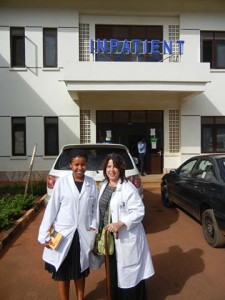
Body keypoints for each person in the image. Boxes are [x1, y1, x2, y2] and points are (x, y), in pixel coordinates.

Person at [38, 149, 98, 300]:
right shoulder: (62, 183)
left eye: (83, 164)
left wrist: (94, 225)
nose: (80, 168)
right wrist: (44, 234)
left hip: (83, 233)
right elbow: (51, 209)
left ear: (86, 165)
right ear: (71, 165)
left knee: (80, 270)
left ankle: (80, 298)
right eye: (76, 164)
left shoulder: (91, 183)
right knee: (61, 272)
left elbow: (95, 208)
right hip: (62, 235)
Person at [97, 153, 154, 300]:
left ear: (121, 169)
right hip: (109, 237)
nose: (112, 170)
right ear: (105, 169)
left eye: (115, 166)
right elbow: (100, 209)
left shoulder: (128, 187)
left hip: (125, 236)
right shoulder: (104, 185)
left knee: (129, 274)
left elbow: (139, 211)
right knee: (113, 271)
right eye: (109, 166)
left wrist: (120, 223)